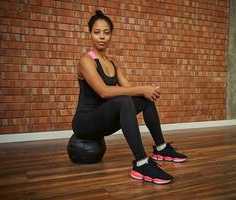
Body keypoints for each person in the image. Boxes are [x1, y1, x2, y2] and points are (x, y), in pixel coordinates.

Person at [72, 10, 187, 185]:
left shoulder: (113, 63)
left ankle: (161, 148)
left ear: (111, 35)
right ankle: (141, 163)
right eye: (96, 32)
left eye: (106, 32)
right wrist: (141, 88)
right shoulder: (85, 61)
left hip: (104, 121)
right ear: (90, 34)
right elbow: (104, 92)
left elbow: (128, 88)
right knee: (124, 99)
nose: (101, 37)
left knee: (144, 100)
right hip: (85, 123)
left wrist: (148, 91)